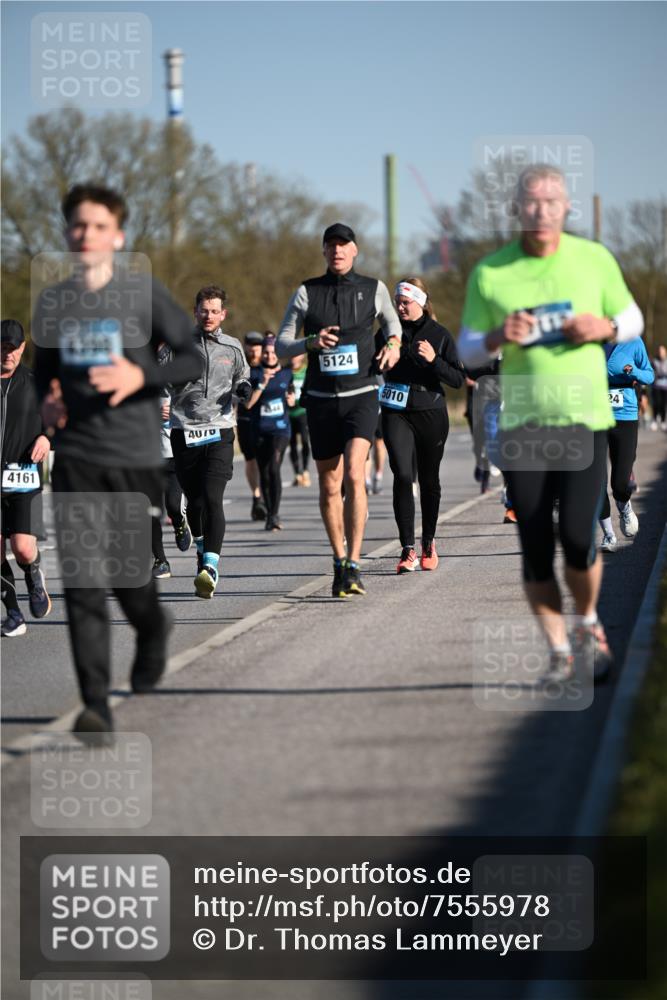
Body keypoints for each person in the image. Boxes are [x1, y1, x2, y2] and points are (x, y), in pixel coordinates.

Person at [458, 164, 644, 682]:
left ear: (566, 208)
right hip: (524, 428)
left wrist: (604, 325)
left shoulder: (593, 259)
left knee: (580, 540)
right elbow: (467, 349)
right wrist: (496, 335)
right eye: (531, 201)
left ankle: (586, 622)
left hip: (583, 422)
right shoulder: (491, 272)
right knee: (536, 551)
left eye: (552, 201)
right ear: (517, 209)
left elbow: (633, 319)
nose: (541, 210)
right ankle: (560, 651)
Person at [33, 183, 202, 737]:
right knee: (81, 586)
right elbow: (42, 374)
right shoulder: (54, 302)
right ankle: (95, 706)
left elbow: (190, 358)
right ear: (67, 234)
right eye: (78, 226)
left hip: (132, 458)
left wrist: (139, 375)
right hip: (77, 456)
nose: (86, 235)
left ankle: (153, 630)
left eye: (98, 227)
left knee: (131, 582)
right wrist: (50, 403)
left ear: (117, 236)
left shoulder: (141, 295)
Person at [277, 223, 402, 597]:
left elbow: (393, 323)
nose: (337, 252)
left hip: (361, 394)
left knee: (353, 474)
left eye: (343, 245)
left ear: (355, 250)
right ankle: (338, 561)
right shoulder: (306, 292)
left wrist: (394, 344)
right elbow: (282, 346)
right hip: (320, 399)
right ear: (324, 252)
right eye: (330, 246)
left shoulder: (373, 288)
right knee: (330, 484)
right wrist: (311, 342)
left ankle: (355, 562)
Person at [168, 285, 252, 598]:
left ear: (223, 314)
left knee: (213, 497)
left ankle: (211, 567)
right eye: (204, 310)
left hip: (220, 429)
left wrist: (244, 389)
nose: (209, 316)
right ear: (196, 311)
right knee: (195, 501)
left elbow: (243, 377)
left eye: (215, 311)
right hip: (184, 430)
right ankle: (202, 552)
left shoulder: (232, 346)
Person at [381, 278, 464, 573]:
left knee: (429, 480)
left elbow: (457, 378)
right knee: (403, 475)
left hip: (430, 412)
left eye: (406, 302)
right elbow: (370, 365)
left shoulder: (439, 334)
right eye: (397, 302)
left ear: (420, 301)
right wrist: (379, 363)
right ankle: (407, 549)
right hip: (395, 411)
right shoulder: (388, 332)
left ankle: (428, 541)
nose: (400, 307)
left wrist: (433, 361)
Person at [1, 319, 52, 636]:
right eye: (2, 348)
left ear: (23, 348)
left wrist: (47, 438)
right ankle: (13, 613)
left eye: (13, 349)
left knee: (22, 548)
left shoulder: (37, 382)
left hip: (23, 478)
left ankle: (33, 574)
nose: (8, 354)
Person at [598, 339, 654, 551]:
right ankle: (608, 535)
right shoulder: (590, 340)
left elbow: (649, 375)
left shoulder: (634, 342)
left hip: (625, 416)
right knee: (594, 481)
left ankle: (624, 506)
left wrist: (633, 372)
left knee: (620, 483)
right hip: (593, 415)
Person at [244, 334, 294, 530]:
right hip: (259, 430)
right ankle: (268, 513)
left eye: (273, 352)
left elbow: (291, 395)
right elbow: (248, 404)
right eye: (266, 352)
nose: (270, 355)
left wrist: (291, 399)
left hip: (281, 430)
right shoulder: (253, 374)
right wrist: (262, 384)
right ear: (262, 354)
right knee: (264, 473)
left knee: (274, 467)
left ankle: (274, 514)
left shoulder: (286, 373)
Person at [151, 342, 192, 579]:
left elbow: (197, 402)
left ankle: (179, 522)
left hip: (174, 453)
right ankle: (160, 560)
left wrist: (174, 409)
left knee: (173, 506)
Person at [237, 331, 268, 519]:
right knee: (250, 460)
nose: (253, 349)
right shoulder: (241, 369)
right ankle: (257, 496)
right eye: (250, 345)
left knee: (266, 463)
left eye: (257, 346)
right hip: (245, 421)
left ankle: (266, 496)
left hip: (267, 422)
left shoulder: (268, 367)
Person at [287, 353, 311, 487]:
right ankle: (297, 473)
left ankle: (306, 470)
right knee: (292, 444)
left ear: (302, 356)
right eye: (292, 355)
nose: (293, 358)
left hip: (302, 412)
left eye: (296, 355)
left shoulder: (306, 370)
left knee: (305, 441)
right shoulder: (285, 371)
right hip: (289, 414)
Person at [651, 344, 667, 429]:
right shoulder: (654, 361)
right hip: (656, 385)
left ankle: (663, 421)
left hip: (665, 386)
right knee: (656, 403)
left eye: (662, 351)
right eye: (660, 351)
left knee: (663, 404)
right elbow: (652, 372)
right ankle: (654, 420)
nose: (661, 353)